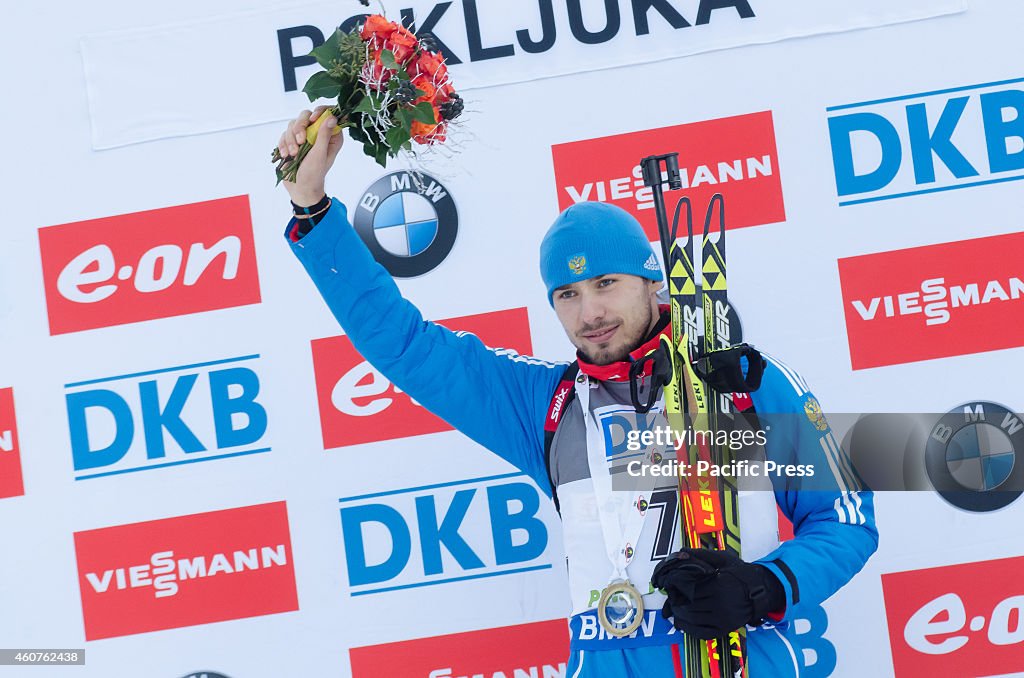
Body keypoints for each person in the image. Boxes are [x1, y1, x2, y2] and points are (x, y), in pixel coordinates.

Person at [276, 107, 878, 677]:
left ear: (651, 283)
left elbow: (846, 521)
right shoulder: (544, 405)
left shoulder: (744, 380)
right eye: (567, 294)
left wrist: (763, 587)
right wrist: (313, 209)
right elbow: (404, 345)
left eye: (606, 283)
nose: (589, 311)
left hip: (737, 659)